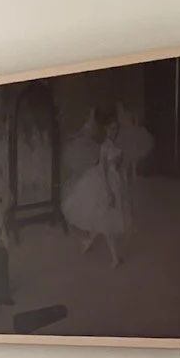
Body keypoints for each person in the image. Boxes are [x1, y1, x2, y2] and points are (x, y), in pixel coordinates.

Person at [62, 113, 128, 268]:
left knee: (101, 217)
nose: (114, 131)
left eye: (116, 128)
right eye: (111, 128)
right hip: (103, 183)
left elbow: (118, 167)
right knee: (105, 220)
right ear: (106, 129)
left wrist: (121, 182)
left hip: (114, 181)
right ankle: (115, 258)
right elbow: (104, 170)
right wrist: (109, 191)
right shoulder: (105, 146)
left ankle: (88, 241)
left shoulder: (116, 146)